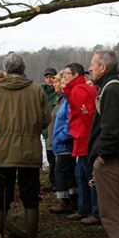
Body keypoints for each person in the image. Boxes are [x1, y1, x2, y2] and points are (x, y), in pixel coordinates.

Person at [0, 53, 51, 238]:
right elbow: (46, 119)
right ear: (24, 68)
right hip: (29, 152)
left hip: (2, 152)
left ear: (5, 70)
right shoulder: (37, 90)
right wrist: (31, 133)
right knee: (31, 197)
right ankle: (31, 237)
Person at [88, 50, 119, 238]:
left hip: (111, 160)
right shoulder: (112, 87)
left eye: (92, 65)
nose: (89, 69)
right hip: (112, 158)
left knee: (111, 209)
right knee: (111, 208)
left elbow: (111, 128)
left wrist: (102, 156)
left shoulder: (112, 90)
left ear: (103, 67)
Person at [62, 63, 100, 225]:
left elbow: (87, 116)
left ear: (75, 74)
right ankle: (84, 209)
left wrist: (82, 136)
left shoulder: (79, 90)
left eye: (67, 74)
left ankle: (94, 212)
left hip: (85, 141)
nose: (64, 77)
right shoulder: (77, 89)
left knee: (88, 177)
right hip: (82, 140)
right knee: (82, 175)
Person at [49, 73, 77, 214]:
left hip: (65, 144)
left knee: (60, 172)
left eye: (59, 81)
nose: (55, 84)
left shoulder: (69, 100)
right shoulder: (62, 99)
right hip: (61, 144)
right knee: (67, 172)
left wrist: (60, 138)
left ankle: (64, 201)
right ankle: (72, 199)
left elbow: (70, 122)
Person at [42, 67, 58, 192]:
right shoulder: (42, 92)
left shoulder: (59, 92)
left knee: (55, 158)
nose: (50, 80)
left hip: (56, 128)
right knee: (49, 156)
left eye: (52, 77)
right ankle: (52, 181)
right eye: (47, 77)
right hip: (46, 129)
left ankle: (56, 183)